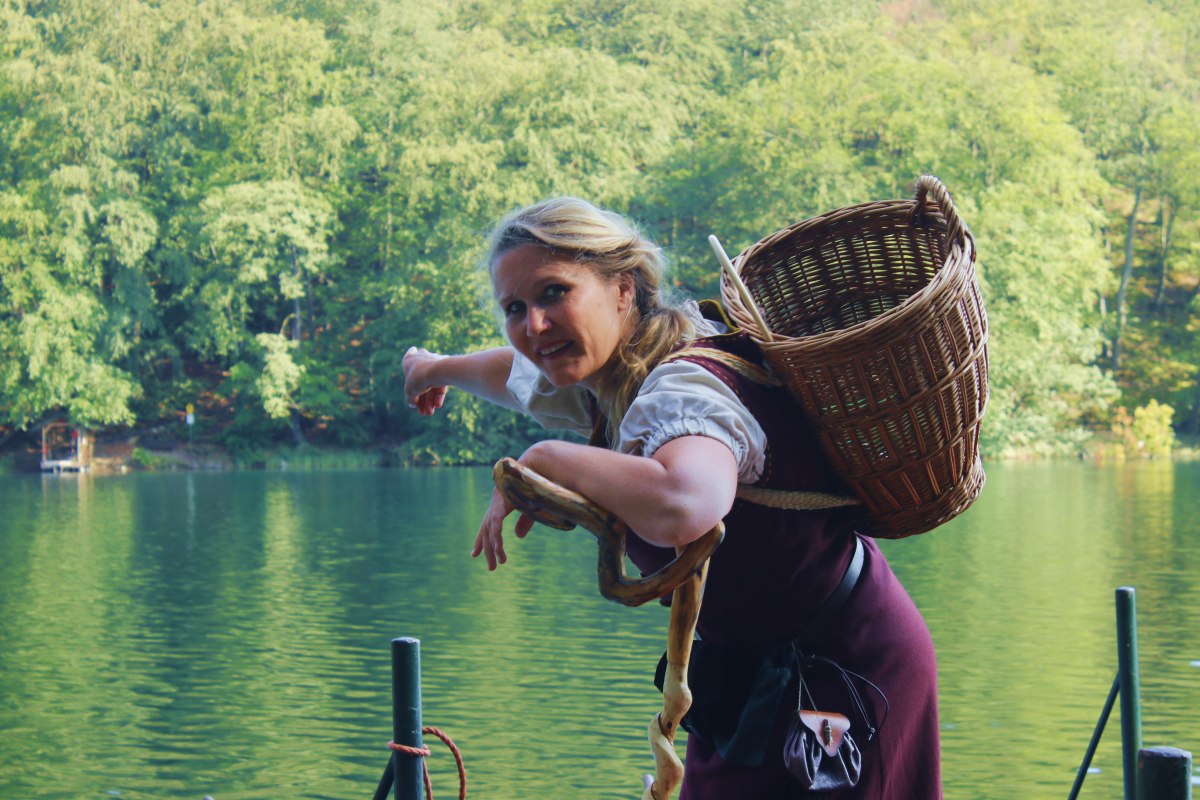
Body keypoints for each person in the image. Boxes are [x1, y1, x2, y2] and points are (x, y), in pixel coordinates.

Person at [402, 197, 942, 799]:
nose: (533, 324)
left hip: (842, 670)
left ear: (623, 289)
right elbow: (519, 375)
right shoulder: (612, 378)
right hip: (751, 680)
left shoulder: (682, 389)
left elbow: (686, 503)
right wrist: (433, 369)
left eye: (554, 292)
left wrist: (543, 460)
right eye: (514, 307)